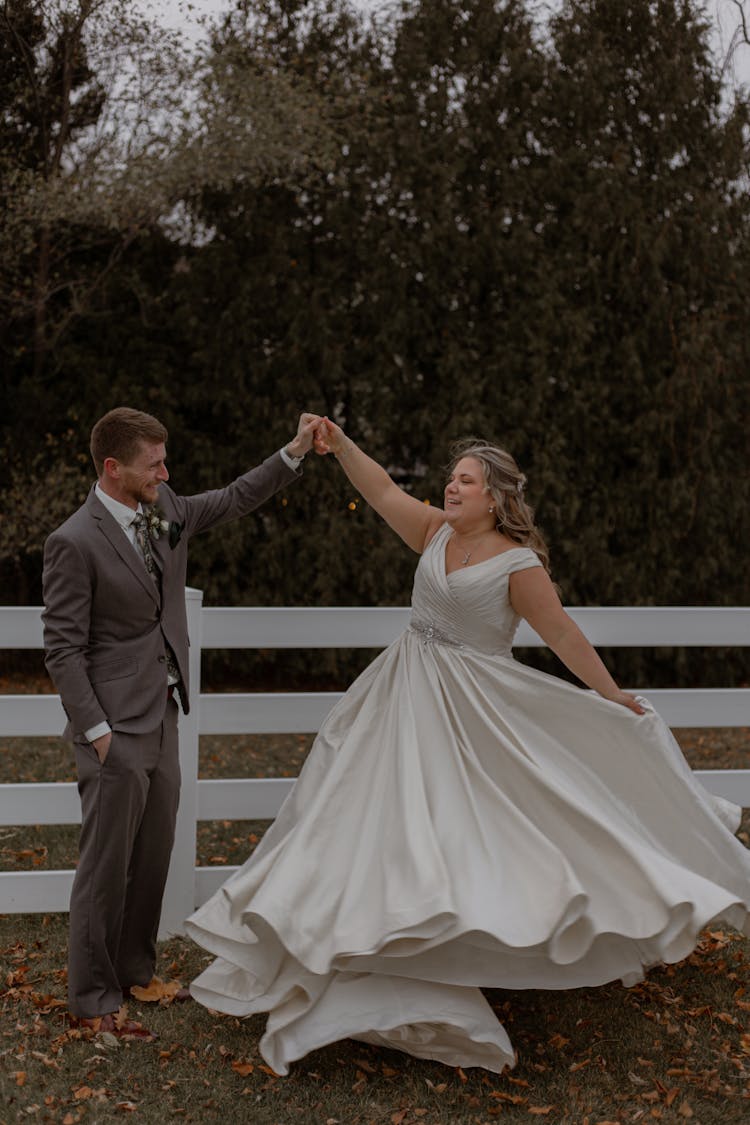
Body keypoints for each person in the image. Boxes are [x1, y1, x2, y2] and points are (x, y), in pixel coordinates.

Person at [186, 421, 750, 1075]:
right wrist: (339, 447)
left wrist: (611, 693)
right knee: (369, 824)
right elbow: (377, 490)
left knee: (476, 831)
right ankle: (362, 950)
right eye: (451, 477)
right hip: (401, 699)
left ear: (495, 497)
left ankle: (462, 944)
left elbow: (563, 634)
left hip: (474, 710)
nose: (451, 486)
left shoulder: (519, 564)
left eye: (465, 479)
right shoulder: (434, 532)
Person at [42, 406, 320, 1037]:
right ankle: (91, 998)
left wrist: (294, 452)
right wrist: (97, 733)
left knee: (154, 850)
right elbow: (62, 650)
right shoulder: (74, 540)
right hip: (112, 727)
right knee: (104, 864)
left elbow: (231, 499)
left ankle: (136, 971)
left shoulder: (163, 507)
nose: (166, 472)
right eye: (154, 463)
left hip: (163, 714)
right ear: (113, 469)